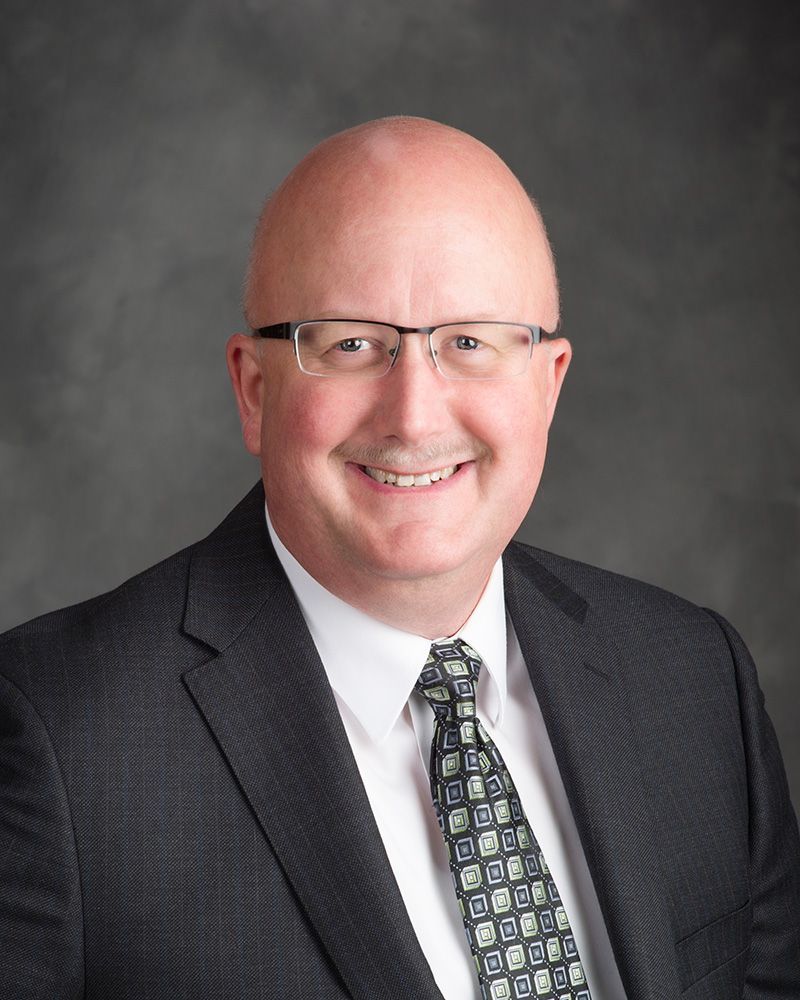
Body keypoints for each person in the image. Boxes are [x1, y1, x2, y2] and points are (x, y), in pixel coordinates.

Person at [0, 117, 798, 1000]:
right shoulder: (55, 740)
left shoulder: (694, 678)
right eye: (350, 343)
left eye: (470, 343)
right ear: (254, 391)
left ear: (550, 383)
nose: (414, 417)